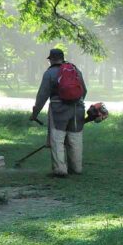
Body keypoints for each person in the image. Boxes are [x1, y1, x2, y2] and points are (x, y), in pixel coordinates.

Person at [31, 48, 87, 177]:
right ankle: (76, 168)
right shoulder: (75, 70)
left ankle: (60, 170)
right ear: (62, 58)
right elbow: (84, 91)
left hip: (58, 110)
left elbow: (42, 95)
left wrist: (35, 113)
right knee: (75, 139)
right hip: (77, 109)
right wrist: (76, 103)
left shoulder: (49, 73)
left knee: (57, 139)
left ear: (51, 59)